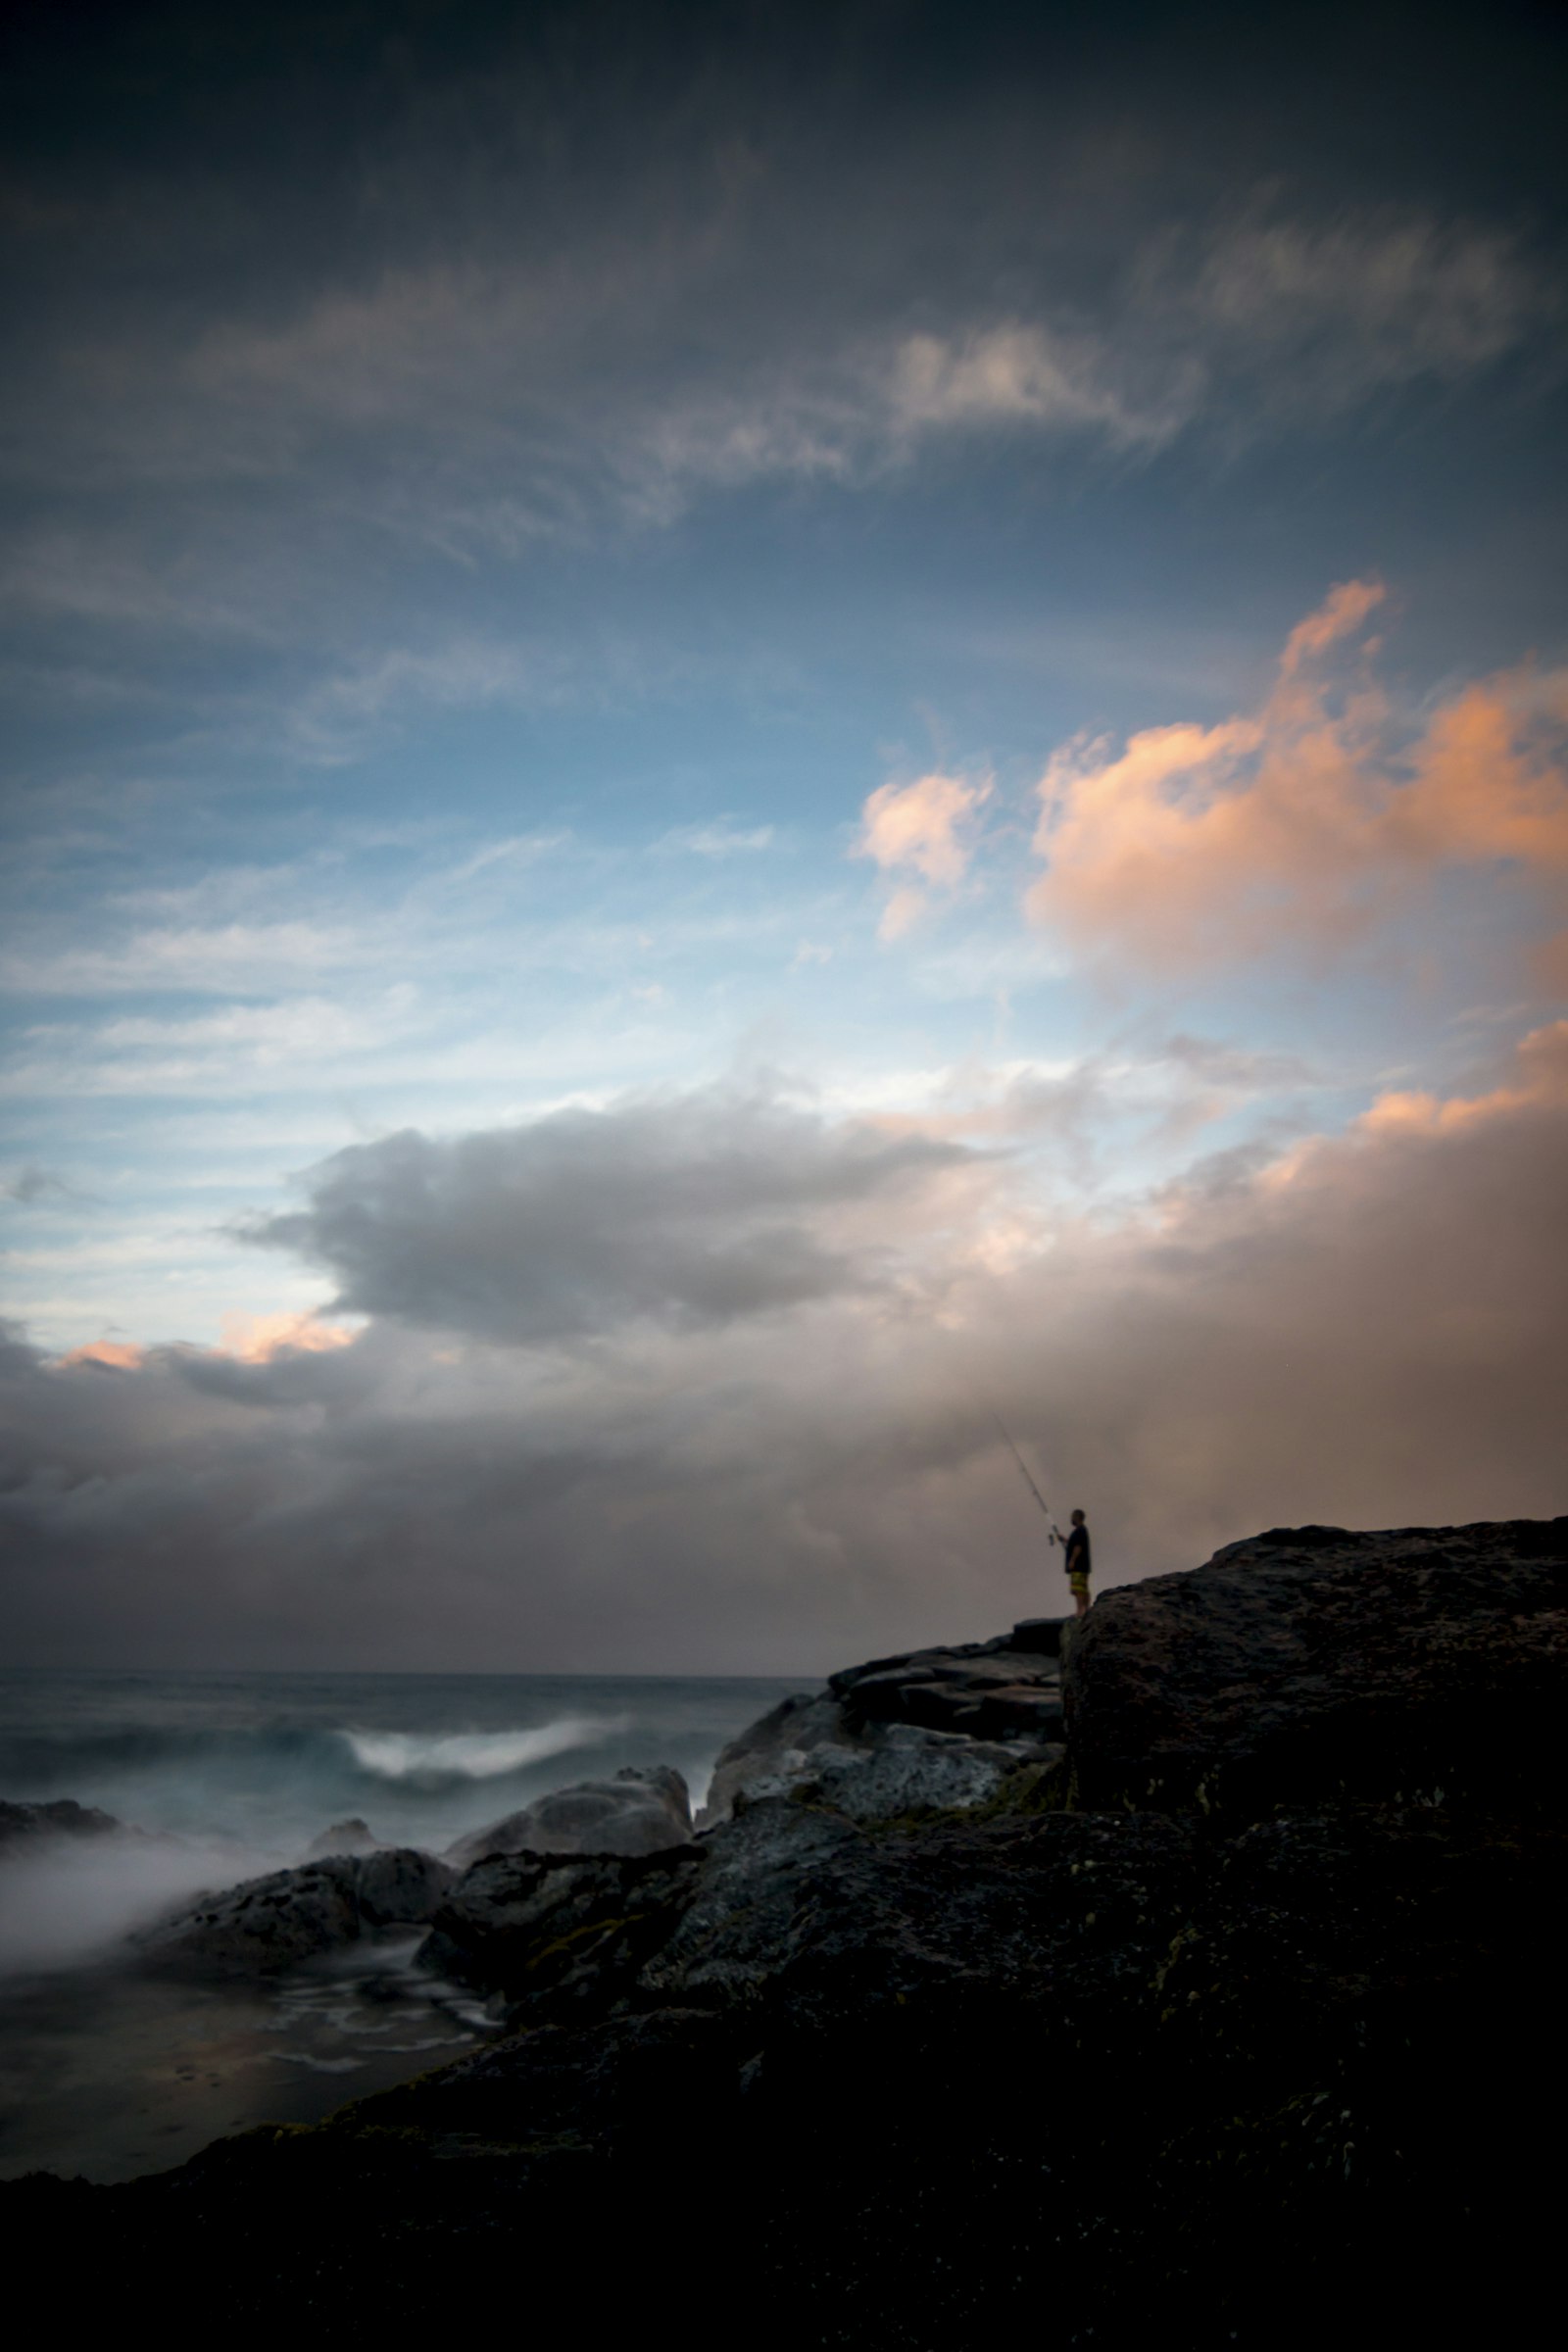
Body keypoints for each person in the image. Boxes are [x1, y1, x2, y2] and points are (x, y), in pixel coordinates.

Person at [1054, 1508, 1092, 1617]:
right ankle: (1086, 1609)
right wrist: (1064, 1540)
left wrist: (1072, 1561)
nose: (1071, 1518)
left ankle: (1080, 1611)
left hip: (1079, 1565)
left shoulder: (1079, 1531)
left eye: (1072, 1516)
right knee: (1083, 1587)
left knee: (1078, 1589)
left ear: (1077, 1517)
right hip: (1084, 1565)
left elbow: (1078, 1547)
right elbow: (1073, 1544)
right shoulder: (1081, 1530)